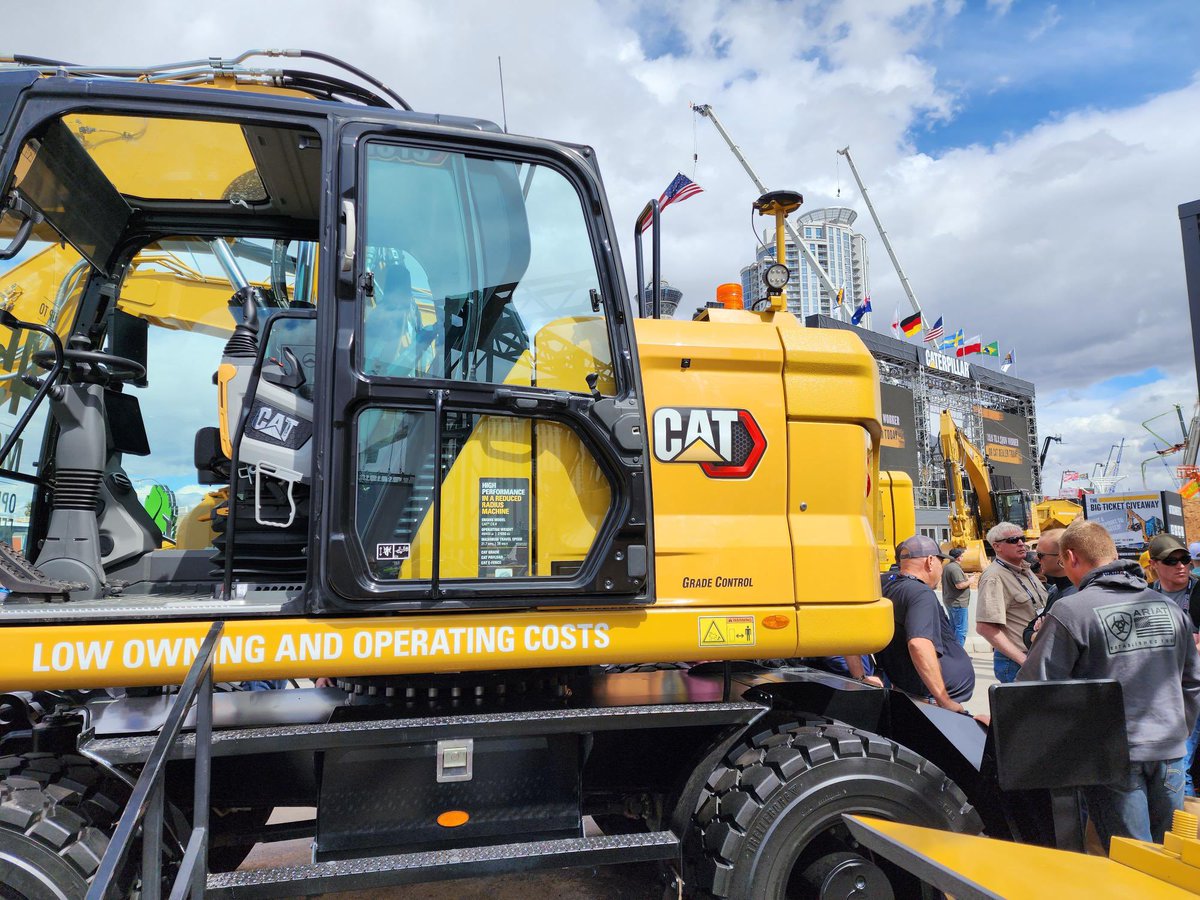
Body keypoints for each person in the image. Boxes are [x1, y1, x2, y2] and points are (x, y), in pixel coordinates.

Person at [1018, 520, 1200, 848]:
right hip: (1170, 752)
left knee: (1131, 860)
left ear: (1071, 557)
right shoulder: (1169, 608)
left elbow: (1034, 687)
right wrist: (1177, 731)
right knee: (1170, 855)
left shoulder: (1071, 611)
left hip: (1112, 758)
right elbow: (1192, 681)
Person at [876, 535, 975, 713]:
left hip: (910, 691)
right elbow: (919, 644)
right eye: (940, 562)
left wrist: (862, 674)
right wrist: (944, 700)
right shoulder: (920, 593)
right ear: (930, 561)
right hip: (930, 703)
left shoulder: (884, 583)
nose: (941, 569)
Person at [1148, 533, 1200, 795]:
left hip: (1192, 686)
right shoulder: (1145, 597)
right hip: (1169, 690)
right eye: (1172, 561)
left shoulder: (1199, 590)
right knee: (1181, 764)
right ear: (1154, 565)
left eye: (1185, 560)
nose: (1181, 566)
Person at [976, 522, 1047, 682]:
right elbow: (985, 627)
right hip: (1017, 662)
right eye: (1013, 540)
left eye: (1022, 538)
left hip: (1035, 656)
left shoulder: (1025, 569)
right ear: (997, 546)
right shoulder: (994, 577)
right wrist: (1023, 660)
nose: (1021, 543)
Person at [1023, 528, 1076, 648]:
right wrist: (1036, 635)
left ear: (1062, 558)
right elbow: (1029, 630)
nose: (1036, 558)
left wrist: (1039, 635)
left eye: (1040, 555)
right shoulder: (1055, 590)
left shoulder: (1075, 594)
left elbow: (1055, 644)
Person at [940, 547, 973, 646]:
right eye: (962, 556)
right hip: (958, 603)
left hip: (951, 601)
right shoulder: (955, 568)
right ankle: (959, 654)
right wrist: (970, 581)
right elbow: (959, 585)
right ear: (958, 558)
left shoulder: (948, 567)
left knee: (953, 627)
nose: (962, 557)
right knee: (961, 629)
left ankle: (953, 652)